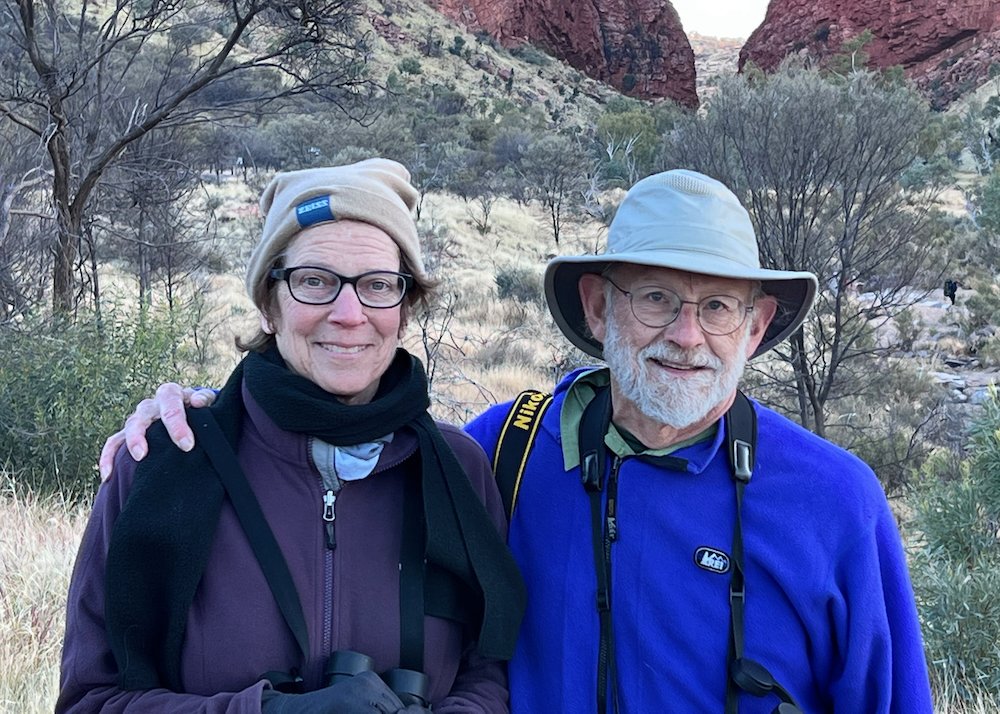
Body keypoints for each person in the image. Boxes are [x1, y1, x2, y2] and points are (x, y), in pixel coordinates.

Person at [99, 169, 933, 713]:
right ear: (601, 310)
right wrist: (203, 419)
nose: (687, 334)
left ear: (755, 328)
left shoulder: (835, 502)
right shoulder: (503, 454)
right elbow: (332, 444)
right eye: (654, 298)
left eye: (717, 307)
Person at [58, 159, 525, 714]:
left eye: (378, 285)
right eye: (315, 282)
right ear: (268, 304)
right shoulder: (166, 463)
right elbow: (91, 699)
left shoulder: (456, 472)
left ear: (405, 310)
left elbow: (489, 673)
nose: (349, 313)